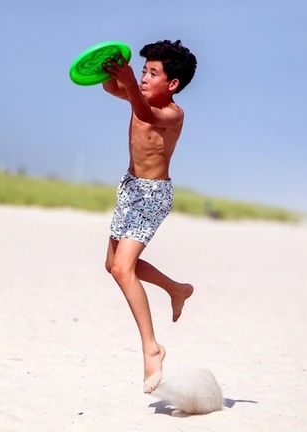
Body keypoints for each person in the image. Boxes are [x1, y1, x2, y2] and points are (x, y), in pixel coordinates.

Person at [100, 40, 197, 394]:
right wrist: (112, 71)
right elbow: (112, 87)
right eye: (143, 70)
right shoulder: (139, 95)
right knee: (113, 264)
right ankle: (176, 289)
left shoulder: (172, 113)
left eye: (152, 73)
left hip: (153, 196)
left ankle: (151, 349)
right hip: (129, 188)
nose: (143, 77)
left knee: (124, 269)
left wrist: (128, 83)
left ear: (172, 84)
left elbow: (145, 114)